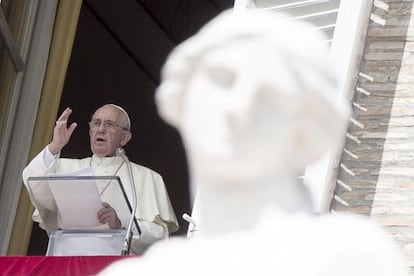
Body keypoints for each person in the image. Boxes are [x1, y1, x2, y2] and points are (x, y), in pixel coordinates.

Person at [100, 10, 408, 275]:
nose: (238, 107)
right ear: (181, 103)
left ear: (307, 128)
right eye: (222, 79)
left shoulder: (351, 257)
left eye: (268, 94)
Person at [22, 104, 179, 254]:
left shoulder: (147, 177)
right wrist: (55, 146)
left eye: (109, 125)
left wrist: (121, 224)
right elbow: (33, 181)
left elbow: (159, 236)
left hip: (115, 265)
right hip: (68, 259)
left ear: (124, 137)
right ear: (90, 132)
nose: (101, 129)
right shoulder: (65, 168)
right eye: (96, 124)